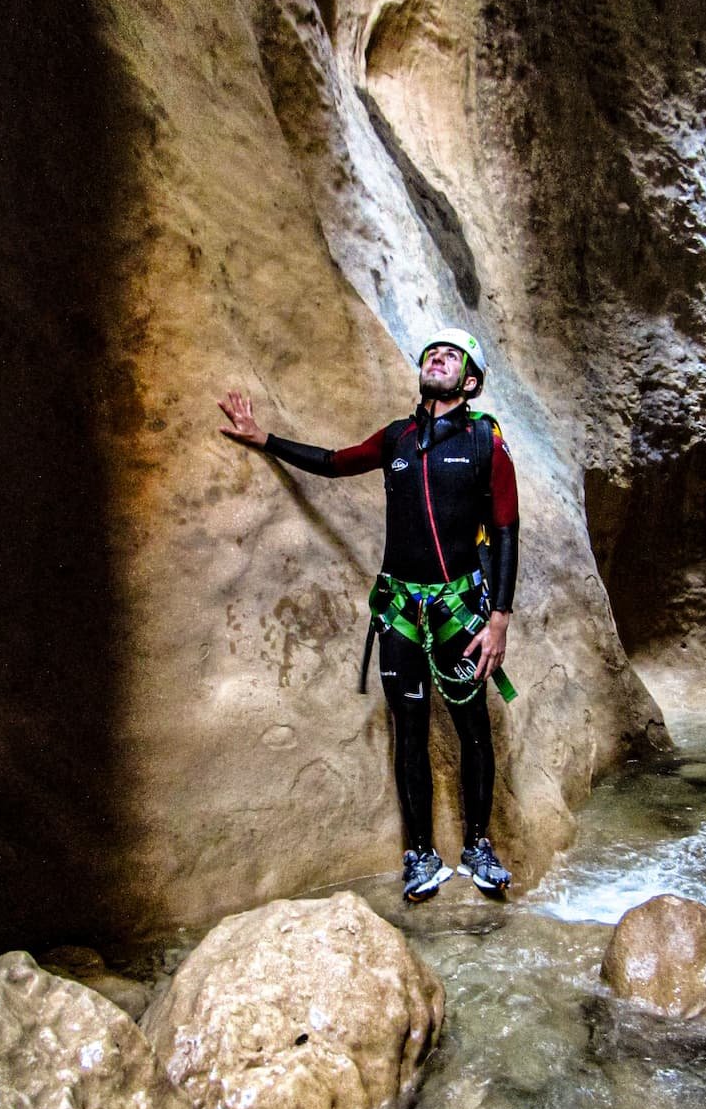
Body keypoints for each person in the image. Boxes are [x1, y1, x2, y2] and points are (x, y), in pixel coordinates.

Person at [217, 328, 520, 902]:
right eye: (432, 352)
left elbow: (506, 528)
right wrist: (265, 439)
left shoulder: (485, 442)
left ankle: (478, 846)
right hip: (401, 608)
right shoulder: (397, 439)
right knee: (409, 731)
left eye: (452, 355)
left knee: (473, 728)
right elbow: (333, 462)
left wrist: (498, 618)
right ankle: (421, 855)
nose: (437, 357)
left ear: (471, 381)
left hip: (461, 609)